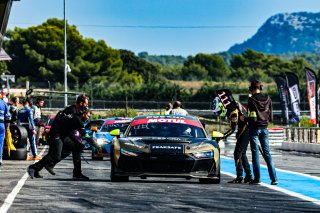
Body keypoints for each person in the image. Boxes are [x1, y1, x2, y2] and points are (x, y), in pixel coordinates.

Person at [27, 94, 91, 180]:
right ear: (80, 103)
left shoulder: (76, 112)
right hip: (56, 134)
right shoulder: (72, 112)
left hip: (63, 135)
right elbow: (81, 131)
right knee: (55, 155)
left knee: (77, 147)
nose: (87, 105)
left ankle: (77, 173)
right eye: (86, 104)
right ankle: (33, 167)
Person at [247, 80, 278, 185]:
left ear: (252, 88)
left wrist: (246, 120)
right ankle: (274, 178)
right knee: (267, 153)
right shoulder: (268, 98)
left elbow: (252, 116)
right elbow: (271, 115)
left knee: (255, 153)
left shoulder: (251, 100)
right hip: (265, 128)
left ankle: (257, 178)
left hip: (254, 128)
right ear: (260, 88)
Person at [223, 101, 253, 184]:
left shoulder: (233, 111)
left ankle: (240, 176)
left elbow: (232, 129)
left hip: (245, 131)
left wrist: (223, 136)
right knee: (242, 154)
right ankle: (248, 176)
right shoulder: (235, 104)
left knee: (237, 153)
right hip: (246, 130)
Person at [0, 96, 11, 167]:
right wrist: (7, 127)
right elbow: (8, 116)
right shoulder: (3, 103)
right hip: (1, 125)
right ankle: (0, 158)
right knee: (0, 143)